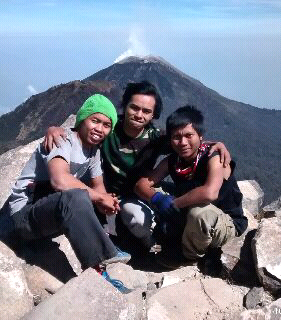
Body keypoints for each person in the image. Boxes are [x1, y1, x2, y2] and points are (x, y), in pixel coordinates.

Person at [44, 81, 231, 251]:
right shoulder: (109, 128)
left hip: (132, 195)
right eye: (134, 108)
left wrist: (217, 144)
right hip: (99, 191)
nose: (139, 115)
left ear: (153, 115)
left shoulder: (156, 138)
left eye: (146, 111)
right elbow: (82, 132)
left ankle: (146, 246)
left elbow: (186, 140)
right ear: (125, 106)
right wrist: (54, 129)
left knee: (140, 222)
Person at [8, 94, 131, 291]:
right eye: (95, 120)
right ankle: (99, 271)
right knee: (76, 196)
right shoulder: (61, 139)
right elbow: (60, 180)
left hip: (45, 215)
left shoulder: (93, 151)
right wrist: (99, 197)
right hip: (23, 217)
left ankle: (104, 248)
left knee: (83, 196)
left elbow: (98, 185)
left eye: (106, 125)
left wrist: (107, 201)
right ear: (83, 119)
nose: (99, 128)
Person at [134, 105, 248, 268]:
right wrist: (157, 198)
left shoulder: (214, 157)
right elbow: (141, 184)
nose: (183, 142)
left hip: (225, 221)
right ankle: (171, 233)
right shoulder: (173, 161)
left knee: (199, 213)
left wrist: (174, 204)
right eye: (176, 137)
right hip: (191, 218)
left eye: (189, 135)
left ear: (200, 136)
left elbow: (210, 193)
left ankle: (189, 256)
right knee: (156, 190)